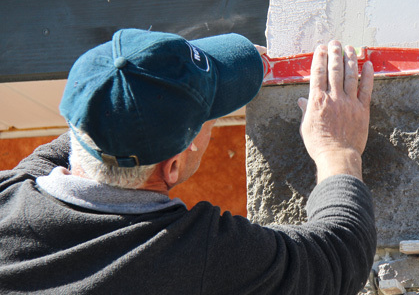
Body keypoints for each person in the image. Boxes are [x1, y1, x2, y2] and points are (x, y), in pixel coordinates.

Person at [0, 29, 376, 294]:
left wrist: (164, 77)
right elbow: (336, 255)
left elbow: (93, 132)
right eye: (210, 118)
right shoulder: (197, 257)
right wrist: (336, 149)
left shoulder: (8, 198)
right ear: (172, 168)